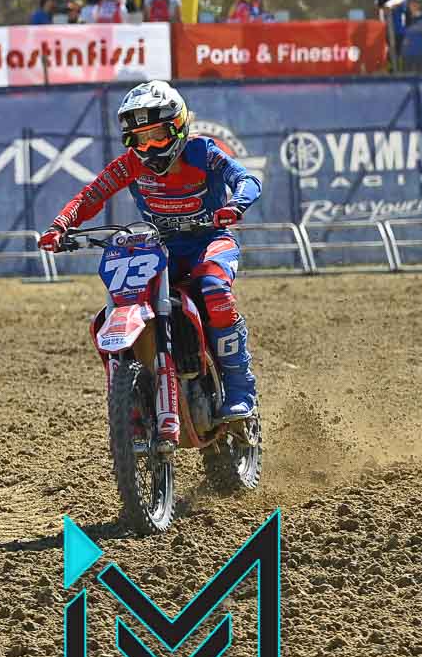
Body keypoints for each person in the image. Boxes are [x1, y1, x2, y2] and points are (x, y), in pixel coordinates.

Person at [36, 81, 262, 444]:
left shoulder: (203, 152)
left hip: (210, 241)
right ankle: (134, 396)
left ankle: (239, 387)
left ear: (179, 126)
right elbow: (91, 195)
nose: (150, 147)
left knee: (214, 290)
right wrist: (61, 225)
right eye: (140, 140)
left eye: (157, 136)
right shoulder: (129, 164)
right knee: (125, 298)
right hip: (160, 248)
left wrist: (235, 205)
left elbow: (246, 179)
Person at [373, 0, 408, 71]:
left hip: (400, 34)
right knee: (389, 59)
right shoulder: (379, 0)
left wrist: (390, 3)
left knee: (401, 59)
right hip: (386, 35)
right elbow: (378, 11)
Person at [396, 0, 422, 72]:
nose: (414, 4)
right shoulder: (403, 18)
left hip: (421, 52)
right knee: (407, 76)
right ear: (408, 4)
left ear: (420, 4)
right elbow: (399, 32)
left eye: (416, 2)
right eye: (411, 2)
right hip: (407, 53)